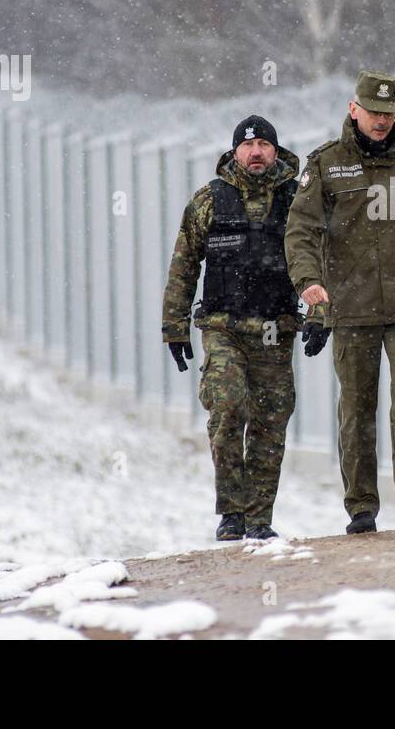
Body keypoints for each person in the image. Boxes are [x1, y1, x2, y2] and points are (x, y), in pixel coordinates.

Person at [284, 70, 395, 534]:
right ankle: (361, 504)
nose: (382, 121)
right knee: (357, 408)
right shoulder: (325, 163)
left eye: (390, 114)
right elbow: (301, 231)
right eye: (374, 112)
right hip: (351, 302)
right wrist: (309, 283)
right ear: (353, 108)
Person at [161, 116, 301, 541]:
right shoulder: (209, 200)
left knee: (269, 421)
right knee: (227, 406)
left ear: (276, 151)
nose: (255, 152)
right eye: (247, 145)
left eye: (263, 144)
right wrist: (175, 326)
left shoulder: (298, 201)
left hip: (276, 329)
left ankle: (259, 520)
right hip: (224, 327)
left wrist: (320, 316)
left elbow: (321, 261)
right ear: (234, 152)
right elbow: (184, 266)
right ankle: (232, 513)